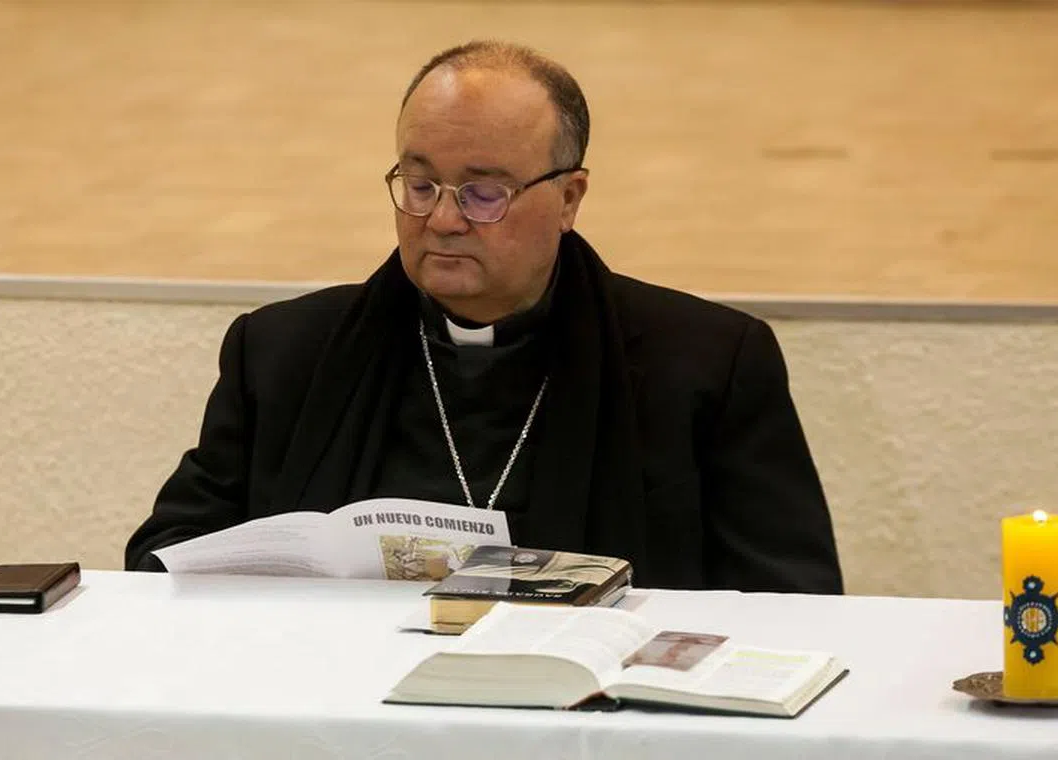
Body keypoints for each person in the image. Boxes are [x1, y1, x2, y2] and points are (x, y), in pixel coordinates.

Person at [125, 40, 844, 593]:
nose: (442, 219)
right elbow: (164, 555)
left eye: (483, 193)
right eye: (420, 183)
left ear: (569, 198)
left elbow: (793, 598)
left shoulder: (707, 364)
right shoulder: (283, 351)